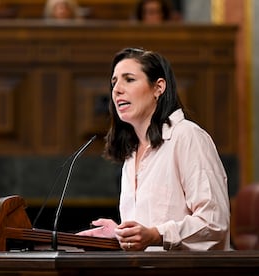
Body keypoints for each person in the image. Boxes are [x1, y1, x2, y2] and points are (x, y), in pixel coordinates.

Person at [77, 47, 230, 251]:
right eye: (114, 82)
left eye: (129, 79)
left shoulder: (187, 136)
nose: (117, 89)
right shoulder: (132, 153)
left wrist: (157, 235)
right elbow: (146, 231)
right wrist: (120, 235)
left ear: (158, 87)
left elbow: (214, 223)